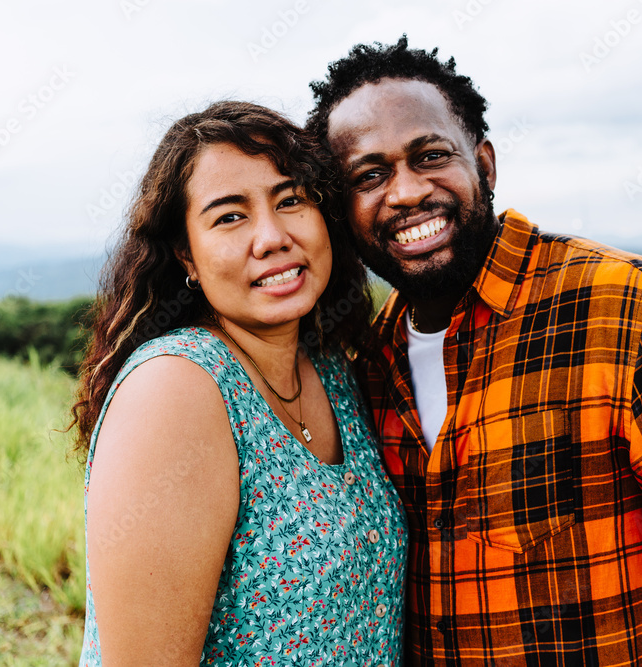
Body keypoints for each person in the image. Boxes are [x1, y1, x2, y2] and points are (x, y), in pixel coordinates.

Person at [306, 38, 642, 665]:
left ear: (484, 167)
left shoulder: (630, 309)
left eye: (431, 156)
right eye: (370, 175)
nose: (407, 192)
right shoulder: (367, 365)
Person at [69, 101, 406, 666]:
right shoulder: (177, 390)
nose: (272, 237)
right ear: (187, 257)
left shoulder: (330, 367)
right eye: (230, 216)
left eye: (290, 200)